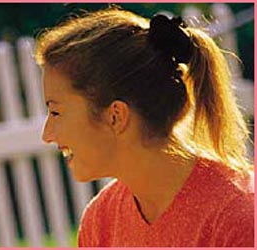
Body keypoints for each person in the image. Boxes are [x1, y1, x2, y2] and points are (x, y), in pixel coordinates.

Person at [36, 7, 254, 247]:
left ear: (116, 116)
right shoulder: (100, 222)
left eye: (56, 112)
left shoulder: (238, 217)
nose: (47, 135)